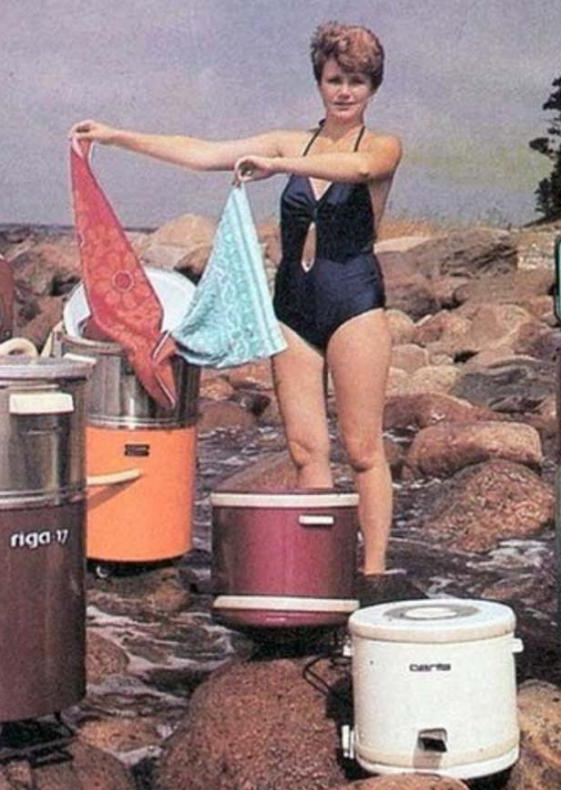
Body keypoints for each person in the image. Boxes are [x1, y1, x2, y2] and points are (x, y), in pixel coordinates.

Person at [71, 22, 402, 577]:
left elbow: (360, 169)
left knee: (363, 450)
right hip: (293, 309)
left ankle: (372, 573)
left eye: (357, 82)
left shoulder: (382, 146)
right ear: (319, 82)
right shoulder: (289, 141)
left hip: (356, 305)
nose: (345, 92)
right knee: (306, 450)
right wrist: (115, 136)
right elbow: (203, 154)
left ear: (372, 88)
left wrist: (280, 167)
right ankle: (322, 571)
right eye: (334, 80)